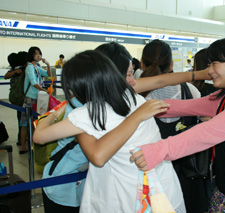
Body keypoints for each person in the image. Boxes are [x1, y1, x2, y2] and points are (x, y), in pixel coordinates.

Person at [35, 41, 210, 212]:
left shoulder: (118, 98)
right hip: (73, 180)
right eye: (128, 74)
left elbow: (159, 81)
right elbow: (98, 155)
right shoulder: (117, 101)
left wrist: (52, 114)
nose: (133, 81)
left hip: (130, 188)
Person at [130, 37, 225, 212]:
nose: (209, 71)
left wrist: (158, 150)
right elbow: (182, 106)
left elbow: (206, 133)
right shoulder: (224, 96)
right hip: (222, 192)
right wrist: (140, 108)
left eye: (214, 64)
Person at [138, 39, 204, 212]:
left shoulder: (136, 98)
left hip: (150, 174)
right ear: (171, 65)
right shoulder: (191, 91)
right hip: (188, 171)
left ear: (142, 64)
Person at [20, 46, 51, 154]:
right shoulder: (29, 67)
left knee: (35, 122)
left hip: (37, 97)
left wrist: (47, 64)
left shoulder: (36, 67)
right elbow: (33, 82)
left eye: (39, 53)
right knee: (24, 123)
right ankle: (23, 146)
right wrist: (44, 90)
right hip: (30, 98)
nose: (39, 56)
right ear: (31, 55)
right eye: (36, 54)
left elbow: (48, 74)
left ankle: (33, 144)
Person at [4, 52, 23, 145]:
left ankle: (22, 138)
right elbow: (5, 76)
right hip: (20, 97)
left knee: (20, 118)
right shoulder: (16, 69)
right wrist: (15, 72)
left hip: (18, 97)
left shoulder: (19, 68)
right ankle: (22, 138)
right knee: (22, 119)